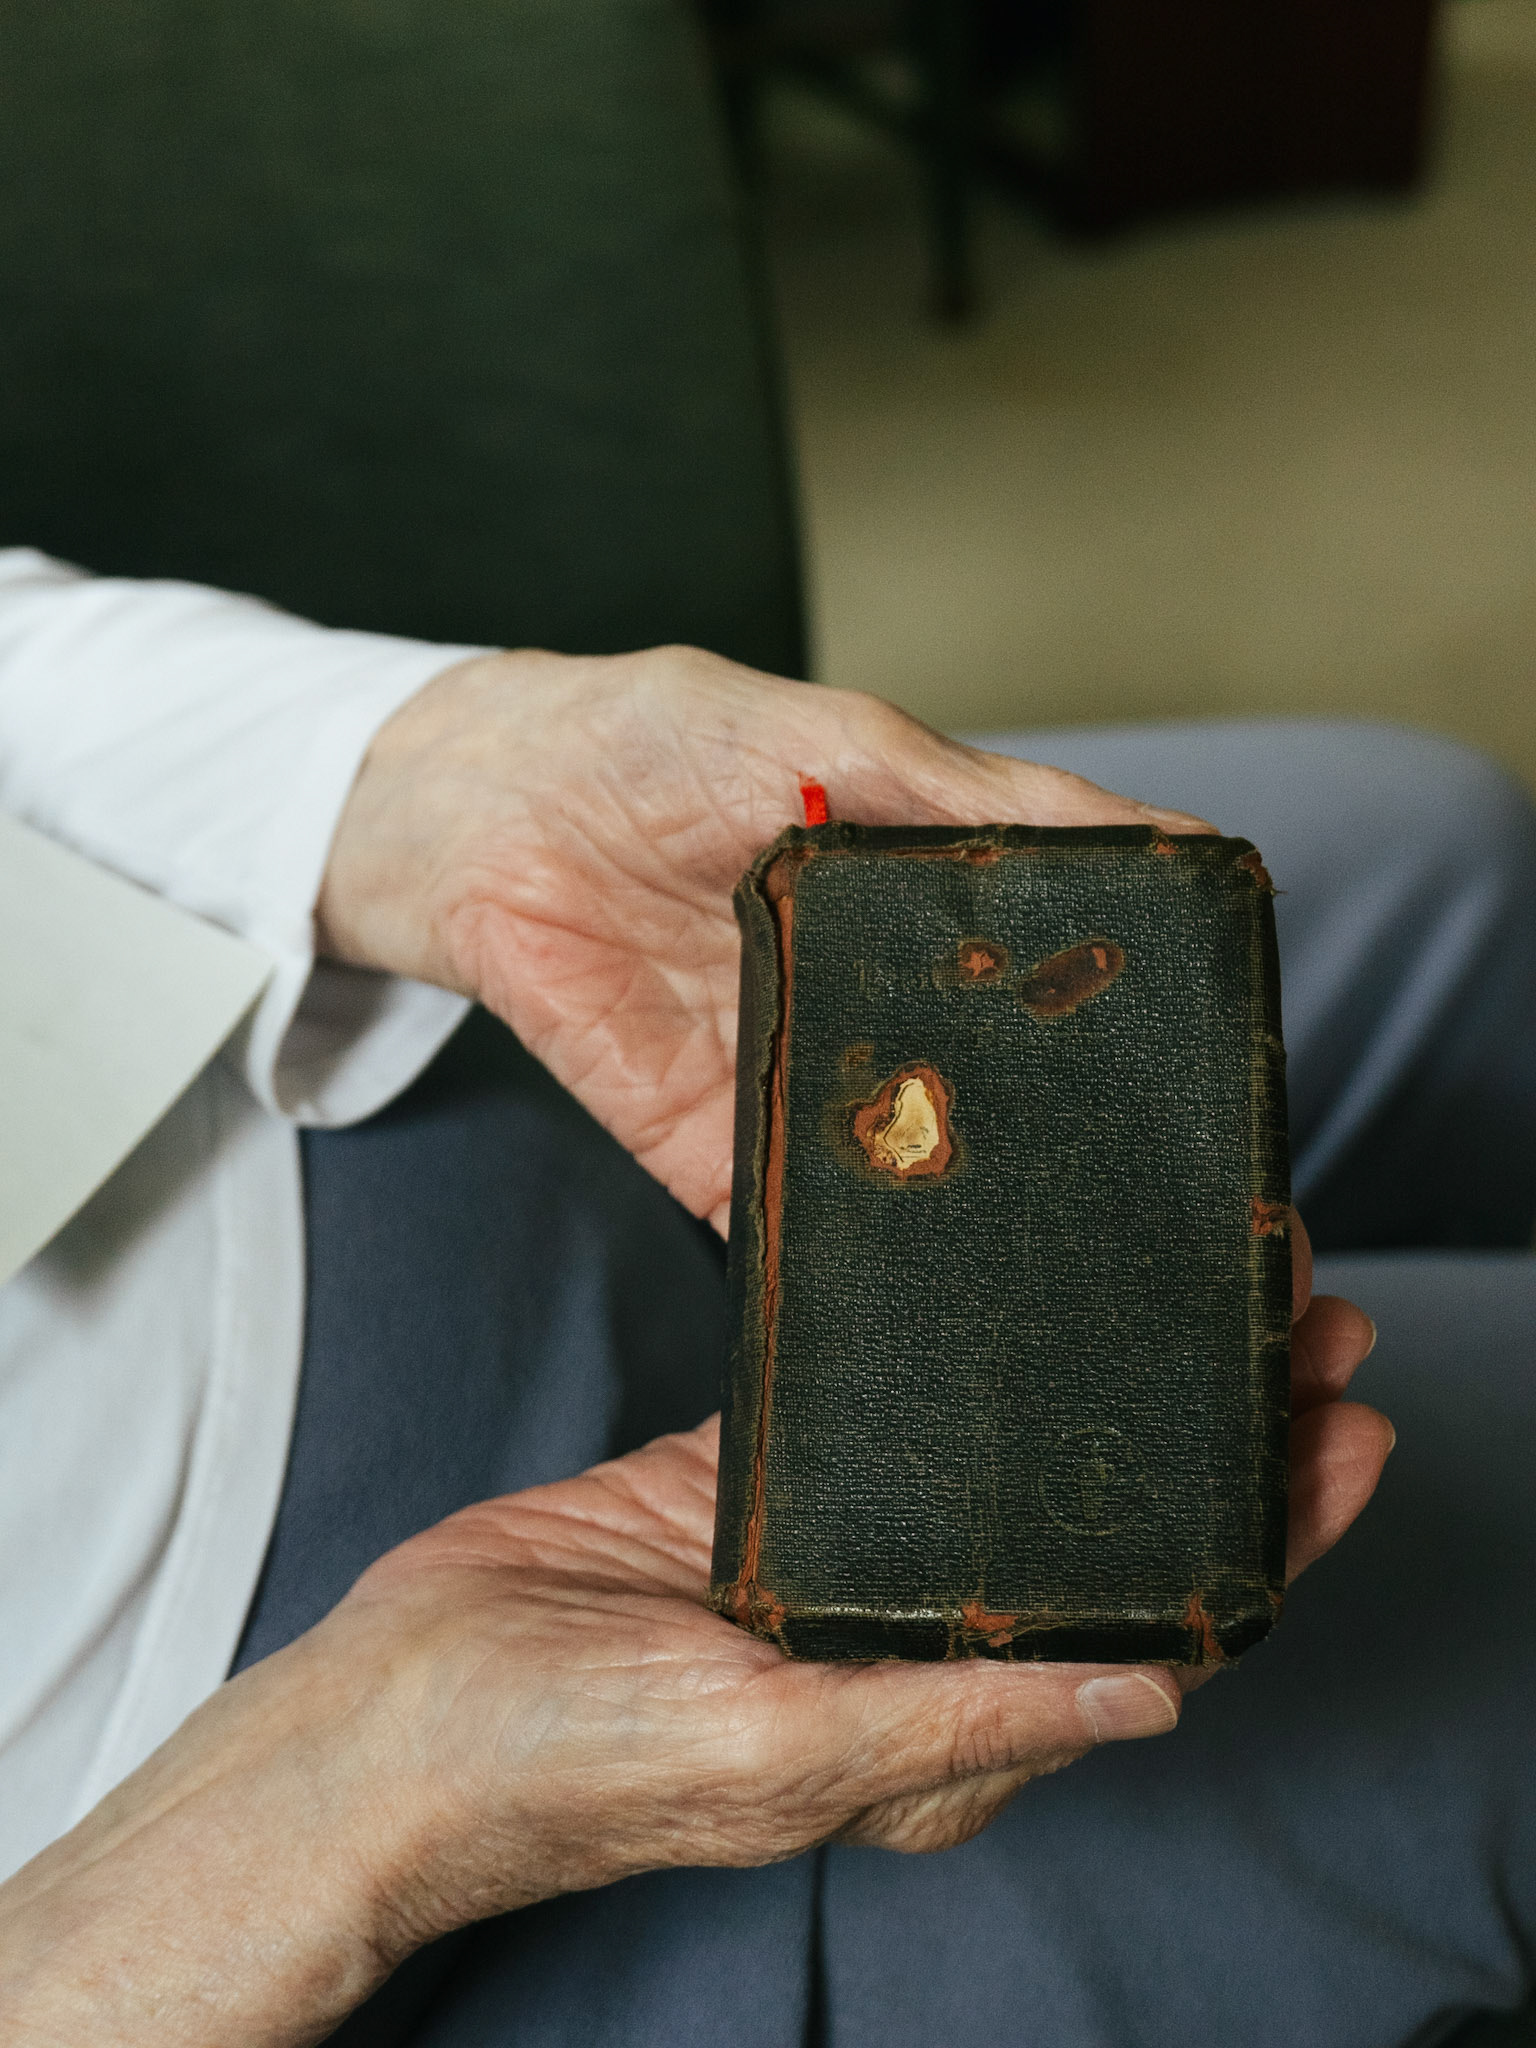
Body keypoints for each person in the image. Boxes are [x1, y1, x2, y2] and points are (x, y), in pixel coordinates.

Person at [0, 546, 1532, 2045]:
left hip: (357, 1006)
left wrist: (412, 774)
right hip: (277, 1766)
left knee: (1452, 853)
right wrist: (306, 1827)